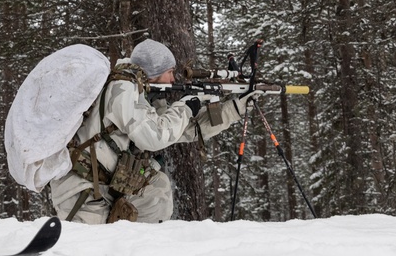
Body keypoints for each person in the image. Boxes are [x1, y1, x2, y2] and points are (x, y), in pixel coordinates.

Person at [48, 39, 258, 224]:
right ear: (155, 72)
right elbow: (155, 136)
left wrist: (235, 109)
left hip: (104, 188)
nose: (173, 80)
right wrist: (185, 107)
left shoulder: (142, 94)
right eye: (169, 72)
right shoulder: (121, 88)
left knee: (157, 187)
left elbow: (183, 131)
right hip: (81, 192)